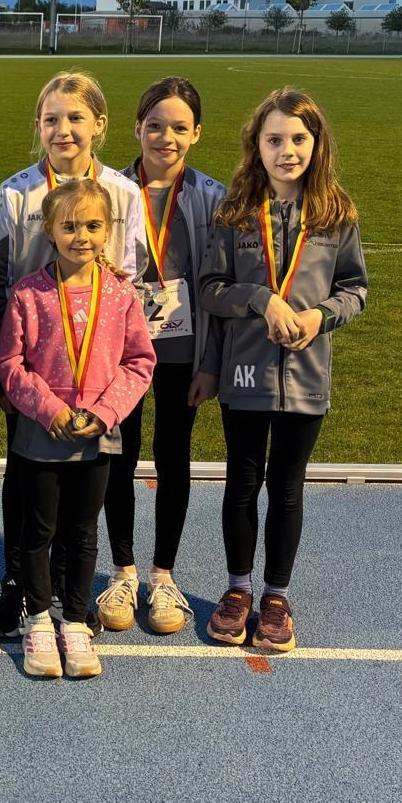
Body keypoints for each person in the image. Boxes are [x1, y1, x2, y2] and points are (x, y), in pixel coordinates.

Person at [199, 88, 367, 654]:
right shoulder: (234, 212)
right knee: (243, 482)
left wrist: (320, 316)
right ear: (257, 145)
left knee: (287, 488)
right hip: (244, 375)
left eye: (298, 139)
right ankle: (238, 589)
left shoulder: (337, 214)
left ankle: (275, 596)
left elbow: (355, 289)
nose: (287, 151)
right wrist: (260, 300)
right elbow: (210, 288)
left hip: (307, 376)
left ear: (317, 144)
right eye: (274, 140)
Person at [0, 71, 147, 639]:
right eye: (51, 119)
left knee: (83, 497)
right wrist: (7, 378)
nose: (63, 129)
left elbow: (131, 279)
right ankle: (17, 586)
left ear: (99, 124)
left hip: (100, 375)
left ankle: (67, 594)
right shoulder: (16, 192)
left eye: (75, 117)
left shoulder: (124, 193)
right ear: (38, 125)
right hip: (31, 371)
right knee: (24, 484)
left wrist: (112, 391)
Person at [0, 179, 155, 680]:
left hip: (97, 436)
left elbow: (139, 362)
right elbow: (8, 363)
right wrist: (48, 409)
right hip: (41, 435)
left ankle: (76, 620)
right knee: (38, 531)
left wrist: (105, 413)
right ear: (49, 230)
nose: (80, 236)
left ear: (108, 232)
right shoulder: (28, 293)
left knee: (83, 533)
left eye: (92, 225)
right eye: (68, 226)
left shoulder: (121, 295)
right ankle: (39, 620)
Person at [96, 77, 226, 636]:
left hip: (181, 349)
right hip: (117, 352)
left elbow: (219, 285)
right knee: (117, 456)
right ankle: (123, 572)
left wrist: (209, 362)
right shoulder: (107, 188)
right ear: (136, 129)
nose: (165, 137)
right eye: (154, 125)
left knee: (174, 455)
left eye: (178, 127)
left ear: (196, 133)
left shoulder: (214, 197)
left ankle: (163, 575)